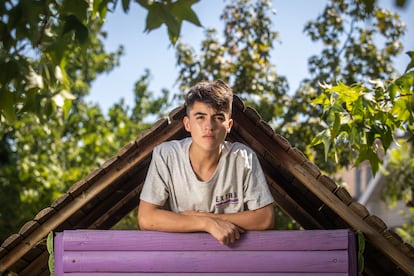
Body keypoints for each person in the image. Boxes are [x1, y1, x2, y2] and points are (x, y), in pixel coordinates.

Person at [138, 80, 275, 245]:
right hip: (182, 254)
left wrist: (211, 217)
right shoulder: (166, 155)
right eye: (200, 117)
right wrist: (206, 224)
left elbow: (265, 218)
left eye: (218, 118)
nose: (209, 126)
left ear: (229, 125)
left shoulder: (243, 157)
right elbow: (146, 218)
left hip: (232, 253)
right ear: (187, 124)